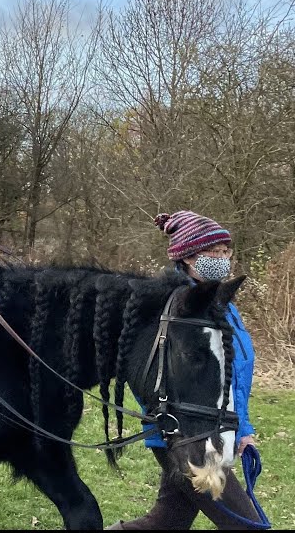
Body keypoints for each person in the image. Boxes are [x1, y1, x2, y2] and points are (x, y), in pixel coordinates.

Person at [106, 211, 260, 530]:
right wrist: (168, 424)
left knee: (166, 522)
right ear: (188, 258)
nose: (221, 258)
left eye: (225, 251)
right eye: (212, 253)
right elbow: (147, 372)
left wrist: (242, 429)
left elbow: (227, 381)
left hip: (214, 429)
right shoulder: (172, 309)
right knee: (247, 526)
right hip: (187, 436)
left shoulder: (222, 303)